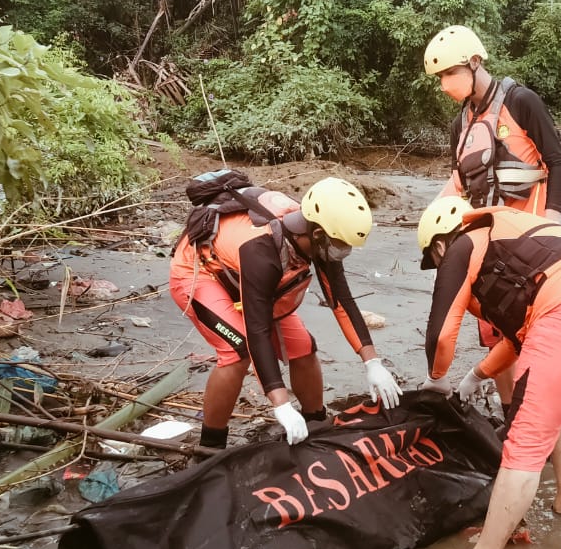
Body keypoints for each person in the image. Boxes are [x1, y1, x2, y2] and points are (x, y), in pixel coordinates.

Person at [415, 196, 561, 549]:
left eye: (435, 261)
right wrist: (476, 375)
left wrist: (436, 380)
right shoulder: (511, 232)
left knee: (524, 444)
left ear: (439, 243)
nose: (440, 267)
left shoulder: (462, 243)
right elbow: (518, 342)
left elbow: (441, 335)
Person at [170, 176, 402, 449]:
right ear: (316, 234)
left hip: (253, 278)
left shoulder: (322, 237)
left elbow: (341, 300)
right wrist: (280, 404)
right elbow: (257, 330)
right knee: (238, 351)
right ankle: (210, 444)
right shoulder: (262, 249)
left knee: (302, 347)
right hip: (202, 272)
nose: (343, 253)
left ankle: (314, 423)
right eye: (341, 247)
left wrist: (371, 362)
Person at [423, 25, 561, 407]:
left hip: (530, 236)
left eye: (449, 74)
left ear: (474, 63)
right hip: (489, 240)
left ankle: (538, 410)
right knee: (494, 328)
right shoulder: (462, 123)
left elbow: (555, 160)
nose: (444, 85)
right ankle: (510, 414)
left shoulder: (521, 102)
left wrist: (553, 218)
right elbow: (459, 180)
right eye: (440, 78)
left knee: (530, 330)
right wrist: (432, 221)